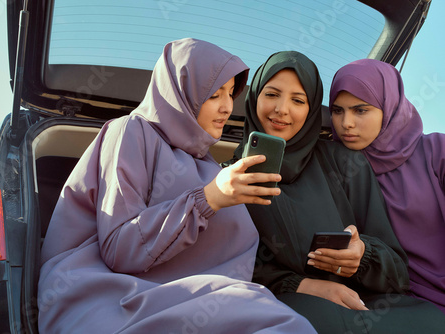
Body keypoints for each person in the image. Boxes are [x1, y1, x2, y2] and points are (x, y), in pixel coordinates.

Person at [37, 38, 316, 333]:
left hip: (198, 302)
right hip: (113, 298)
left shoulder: (211, 166)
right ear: (181, 91)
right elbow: (119, 248)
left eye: (231, 94)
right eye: (214, 95)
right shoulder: (131, 131)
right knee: (284, 324)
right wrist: (209, 198)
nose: (226, 107)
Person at [226, 51, 445, 333]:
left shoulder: (345, 161)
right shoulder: (229, 177)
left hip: (373, 304)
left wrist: (362, 255)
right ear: (254, 96)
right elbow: (232, 265)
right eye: (271, 94)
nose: (281, 109)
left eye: (298, 100)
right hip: (287, 305)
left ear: (312, 109)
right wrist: (304, 285)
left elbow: (396, 271)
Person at [329, 58, 445, 315]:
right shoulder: (332, 169)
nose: (346, 123)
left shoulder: (437, 151)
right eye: (337, 111)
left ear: (389, 107)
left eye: (360, 110)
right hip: (381, 303)